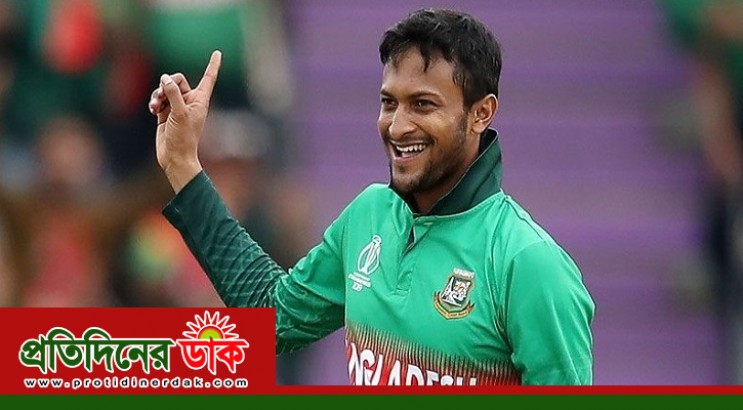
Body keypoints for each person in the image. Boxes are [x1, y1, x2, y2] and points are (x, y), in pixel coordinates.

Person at [148, 8, 595, 385]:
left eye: (423, 104)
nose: (398, 126)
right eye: (389, 102)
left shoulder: (528, 263)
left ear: (481, 113)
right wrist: (183, 165)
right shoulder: (368, 215)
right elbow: (270, 316)